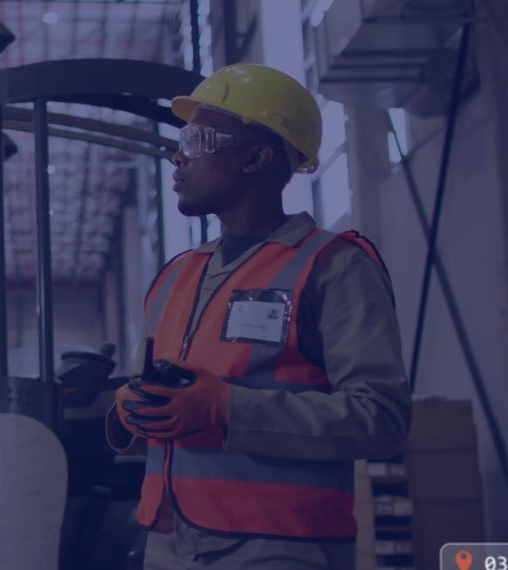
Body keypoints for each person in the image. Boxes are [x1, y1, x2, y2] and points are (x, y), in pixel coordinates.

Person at [107, 63, 412, 569]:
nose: (179, 155)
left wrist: (229, 408)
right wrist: (130, 409)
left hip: (280, 547)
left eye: (198, 140)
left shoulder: (333, 268)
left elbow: (381, 419)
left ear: (256, 158)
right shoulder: (175, 276)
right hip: (168, 545)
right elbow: (166, 403)